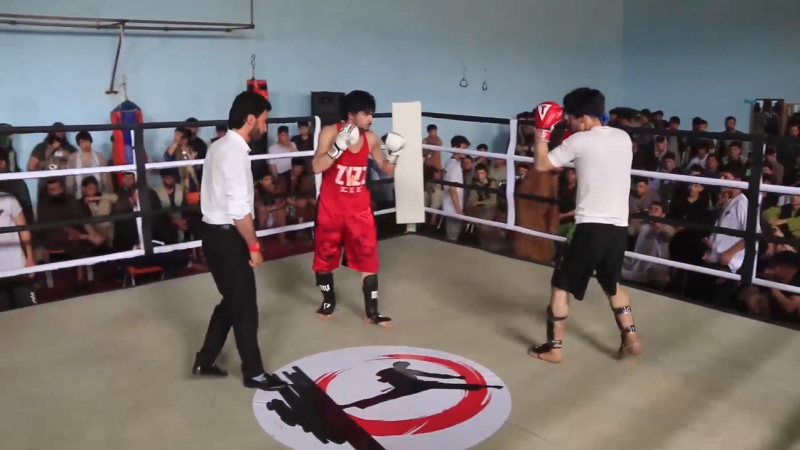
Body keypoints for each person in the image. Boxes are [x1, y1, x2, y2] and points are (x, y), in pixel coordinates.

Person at [527, 87, 642, 363]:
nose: (568, 122)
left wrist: (541, 132)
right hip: (618, 228)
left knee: (560, 285)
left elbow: (541, 165)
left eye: (570, 117)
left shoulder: (579, 141)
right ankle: (631, 338)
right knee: (612, 283)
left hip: (590, 227)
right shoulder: (623, 137)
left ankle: (554, 349)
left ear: (581, 117)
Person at [192, 91, 287, 391]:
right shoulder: (234, 154)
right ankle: (254, 373)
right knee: (244, 306)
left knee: (232, 301)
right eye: (263, 121)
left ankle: (205, 359)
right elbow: (239, 213)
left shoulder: (217, 146)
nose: (265, 127)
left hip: (212, 233)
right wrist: (254, 247)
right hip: (228, 237)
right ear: (250, 120)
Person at [310, 90, 405, 327]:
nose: (371, 118)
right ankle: (328, 302)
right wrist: (337, 147)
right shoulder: (330, 132)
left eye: (372, 114)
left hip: (359, 210)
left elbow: (386, 169)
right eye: (366, 113)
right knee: (324, 258)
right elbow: (317, 166)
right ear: (351, 114)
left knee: (368, 259)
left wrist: (394, 155)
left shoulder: (371, 138)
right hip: (331, 208)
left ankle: (372, 312)